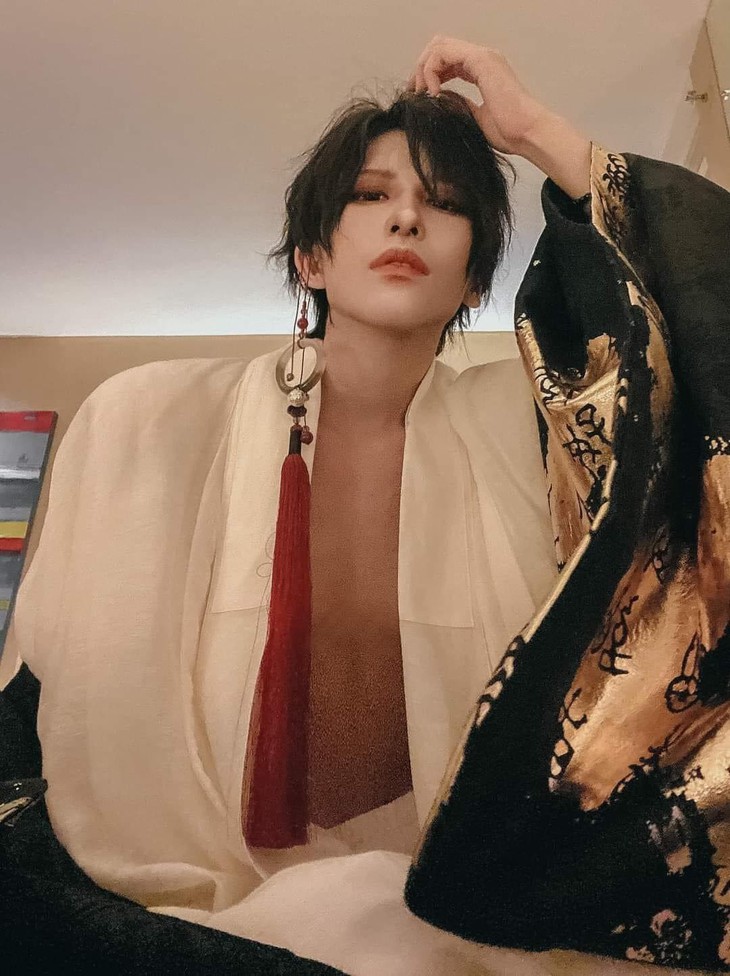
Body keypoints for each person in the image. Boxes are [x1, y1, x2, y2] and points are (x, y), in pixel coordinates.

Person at [2, 35, 725, 976]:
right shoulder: (152, 421)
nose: (409, 217)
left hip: (455, 911)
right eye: (371, 195)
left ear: (476, 278)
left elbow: (700, 348)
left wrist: (537, 134)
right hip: (187, 901)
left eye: (447, 204)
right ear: (311, 257)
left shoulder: (540, 435)